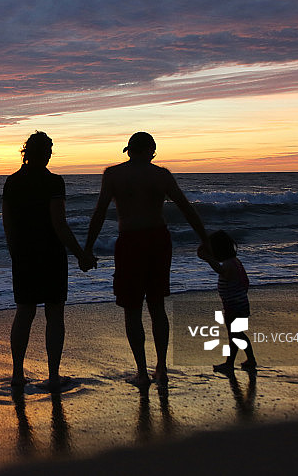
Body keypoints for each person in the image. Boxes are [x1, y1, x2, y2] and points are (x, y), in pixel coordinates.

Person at [84, 132, 208, 387]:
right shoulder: (161, 175)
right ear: (151, 151)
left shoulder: (113, 174)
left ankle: (142, 371)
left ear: (129, 150)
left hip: (129, 241)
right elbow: (186, 208)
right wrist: (204, 239)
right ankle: (161, 368)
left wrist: (87, 248)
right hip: (158, 240)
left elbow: (99, 213)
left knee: (132, 309)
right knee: (157, 306)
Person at [3, 131, 96, 393]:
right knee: (54, 314)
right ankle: (53, 376)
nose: (51, 153)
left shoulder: (12, 182)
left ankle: (18, 375)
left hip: (23, 254)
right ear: (43, 153)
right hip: (50, 254)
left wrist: (14, 253)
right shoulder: (54, 182)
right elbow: (59, 223)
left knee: (24, 312)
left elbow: (8, 224)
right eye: (50, 149)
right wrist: (80, 254)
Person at [198, 230, 257, 375]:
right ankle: (245, 360)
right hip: (238, 306)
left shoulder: (229, 264)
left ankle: (231, 363)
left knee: (236, 335)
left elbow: (220, 270)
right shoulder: (234, 262)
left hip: (235, 308)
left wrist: (207, 259)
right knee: (237, 335)